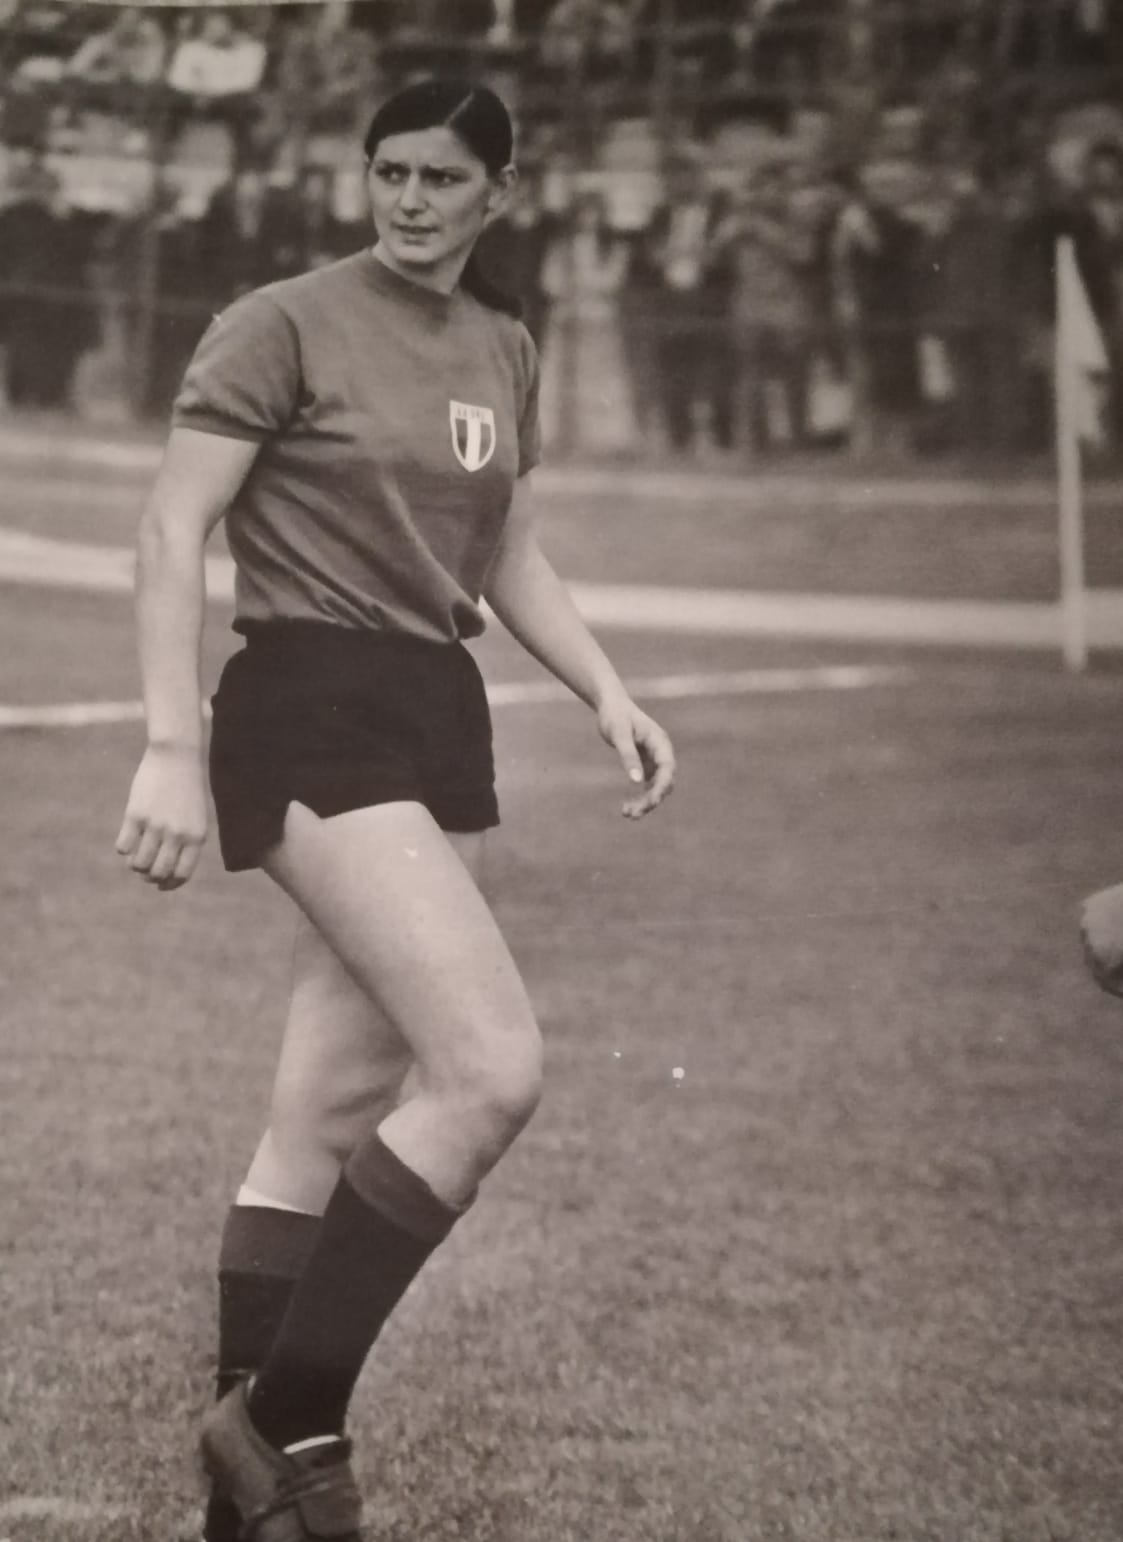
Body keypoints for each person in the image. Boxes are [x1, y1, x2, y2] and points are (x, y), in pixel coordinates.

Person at [114, 77, 675, 1542]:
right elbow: (172, 525)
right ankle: (282, 1418)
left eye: (443, 177)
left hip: (437, 707)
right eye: (392, 172)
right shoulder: (280, 320)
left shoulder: (504, 344)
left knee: (327, 1110)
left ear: (499, 193)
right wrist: (170, 743)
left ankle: (241, 1508)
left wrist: (605, 688)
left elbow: (510, 555)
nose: (413, 200)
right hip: (307, 699)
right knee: (490, 1070)